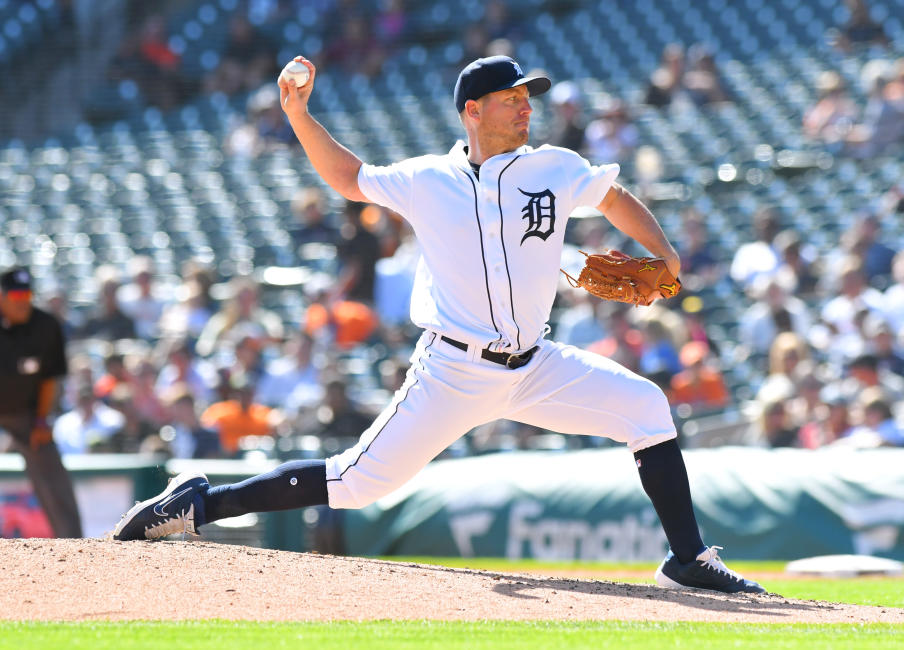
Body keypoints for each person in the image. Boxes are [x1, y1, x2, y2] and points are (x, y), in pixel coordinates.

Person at [112, 55, 764, 594]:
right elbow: (349, 178)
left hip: (536, 363)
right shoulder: (428, 179)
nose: (526, 106)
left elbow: (615, 198)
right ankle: (199, 503)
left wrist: (664, 251)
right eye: (512, 97)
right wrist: (298, 115)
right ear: (473, 111)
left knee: (647, 408)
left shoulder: (556, 167)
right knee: (355, 483)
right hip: (453, 367)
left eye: (527, 96)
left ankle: (688, 560)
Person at [0, 268, 83, 537]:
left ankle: (72, 543)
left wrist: (41, 419)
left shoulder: (45, 326)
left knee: (49, 464)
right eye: (16, 295)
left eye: (27, 294)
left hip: (25, 413)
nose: (23, 300)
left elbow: (50, 379)